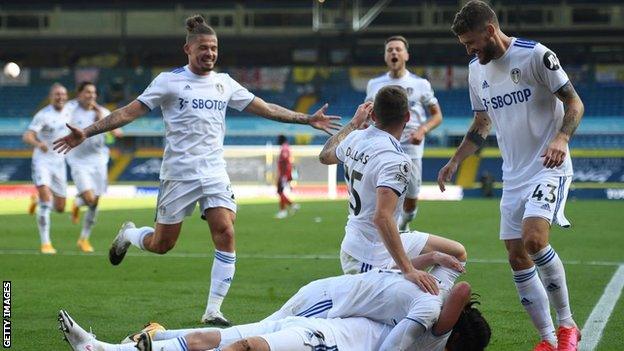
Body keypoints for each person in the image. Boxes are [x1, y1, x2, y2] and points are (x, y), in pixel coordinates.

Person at [53, 14, 341, 326]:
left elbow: (267, 108)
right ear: (188, 49)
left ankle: (213, 310)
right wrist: (88, 131)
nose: (210, 53)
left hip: (214, 172)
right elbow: (128, 112)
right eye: (203, 47)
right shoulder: (168, 82)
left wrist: (306, 119)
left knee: (226, 231)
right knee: (162, 245)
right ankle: (130, 234)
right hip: (178, 174)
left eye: (214, 48)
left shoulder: (224, 83)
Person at [439, 1, 584, 350]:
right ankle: (548, 340)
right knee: (516, 256)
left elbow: (574, 102)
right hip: (513, 175)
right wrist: (456, 160)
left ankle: (567, 327)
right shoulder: (477, 70)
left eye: (470, 42)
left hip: (548, 166)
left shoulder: (535, 56)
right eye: (464, 45)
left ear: (490, 30)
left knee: (534, 240)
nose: (469, 50)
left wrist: (562, 138)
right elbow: (481, 123)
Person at [58, 269, 491, 351]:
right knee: (253, 336)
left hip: (331, 318)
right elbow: (461, 284)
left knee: (237, 335)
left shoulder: (421, 288)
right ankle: (148, 340)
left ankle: (137, 341)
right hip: (326, 307)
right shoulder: (431, 306)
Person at [319, 86, 466, 295]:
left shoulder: (354, 137)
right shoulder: (395, 160)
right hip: (367, 256)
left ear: (373, 114)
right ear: (407, 117)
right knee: (383, 319)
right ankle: (427, 305)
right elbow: (382, 217)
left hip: (369, 241)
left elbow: (325, 156)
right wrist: (409, 270)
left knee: (456, 253)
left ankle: (431, 298)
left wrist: (353, 123)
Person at [366, 35, 444, 231]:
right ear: (385, 56)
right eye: (389, 49)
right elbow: (367, 113)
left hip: (411, 145)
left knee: (411, 198)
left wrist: (422, 129)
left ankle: (404, 223)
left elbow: (437, 116)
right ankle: (389, 230)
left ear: (406, 55)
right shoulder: (374, 84)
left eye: (398, 49)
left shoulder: (420, 84)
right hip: (382, 144)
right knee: (382, 190)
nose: (394, 52)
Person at [65, 81, 122, 253]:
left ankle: (83, 239)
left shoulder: (103, 112)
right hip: (78, 160)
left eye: (94, 92)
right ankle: (78, 201)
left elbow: (118, 132)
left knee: (95, 203)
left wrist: (111, 129)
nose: (91, 95)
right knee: (90, 199)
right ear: (79, 94)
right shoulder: (70, 110)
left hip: (99, 160)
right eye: (88, 92)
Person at [22, 83, 71, 254]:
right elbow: (27, 135)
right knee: (46, 200)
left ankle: (37, 201)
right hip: (42, 161)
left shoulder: (69, 111)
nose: (60, 97)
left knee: (60, 208)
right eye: (57, 94)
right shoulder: (43, 115)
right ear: (51, 96)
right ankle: (46, 243)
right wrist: (38, 143)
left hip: (59, 162)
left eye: (63, 94)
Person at [274, 134, 299, 219]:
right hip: (285, 173)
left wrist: (283, 174)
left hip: (284, 174)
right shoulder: (286, 147)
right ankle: (292, 205)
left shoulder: (284, 148)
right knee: (280, 192)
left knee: (280, 191)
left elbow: (285, 159)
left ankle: (283, 211)